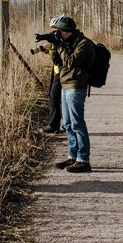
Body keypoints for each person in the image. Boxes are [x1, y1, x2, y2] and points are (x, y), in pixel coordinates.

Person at [49, 17, 95, 173]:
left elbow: (71, 62)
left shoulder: (84, 44)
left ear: (68, 32)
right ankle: (73, 156)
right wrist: (55, 45)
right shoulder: (67, 42)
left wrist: (60, 44)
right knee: (68, 124)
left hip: (76, 86)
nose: (58, 35)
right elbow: (57, 61)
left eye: (60, 32)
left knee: (77, 124)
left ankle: (83, 159)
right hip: (65, 85)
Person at [38, 15, 65, 134]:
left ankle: (54, 126)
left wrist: (51, 50)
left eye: (55, 28)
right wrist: (49, 52)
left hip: (61, 72)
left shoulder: (62, 39)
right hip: (57, 70)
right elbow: (58, 56)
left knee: (54, 97)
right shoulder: (60, 38)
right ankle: (66, 124)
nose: (54, 30)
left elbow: (62, 57)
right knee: (62, 98)